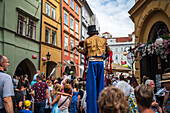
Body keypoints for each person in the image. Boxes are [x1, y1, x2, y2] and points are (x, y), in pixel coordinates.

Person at [76, 25, 111, 113]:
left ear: (89, 33)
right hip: (100, 62)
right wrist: (103, 57)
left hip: (92, 62)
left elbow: (85, 52)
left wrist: (78, 49)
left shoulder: (87, 40)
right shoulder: (103, 40)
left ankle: (92, 110)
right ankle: (101, 109)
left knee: (91, 86)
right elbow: (108, 51)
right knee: (101, 85)